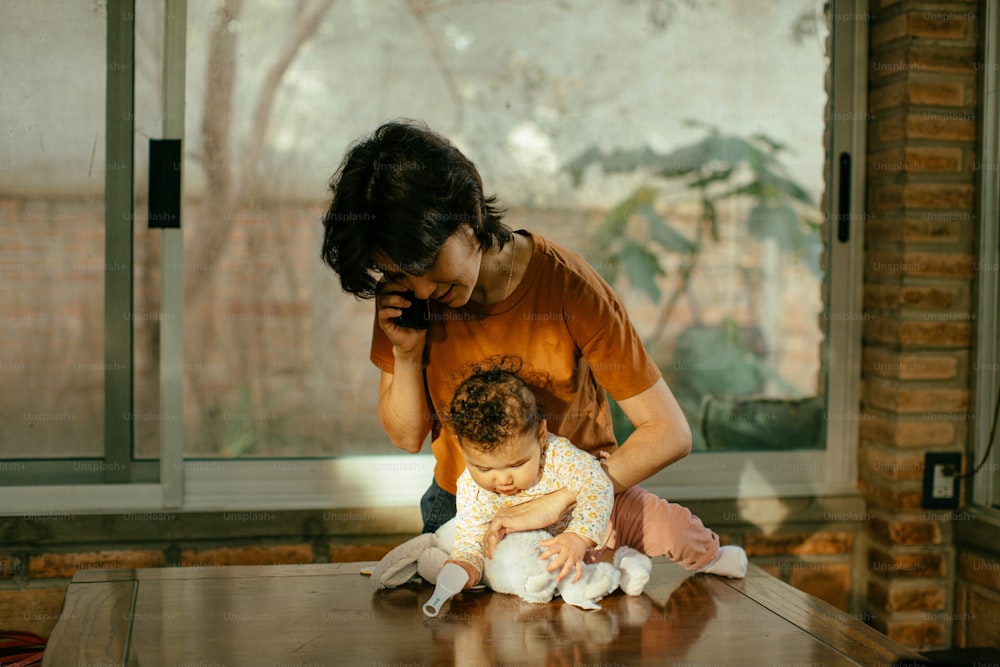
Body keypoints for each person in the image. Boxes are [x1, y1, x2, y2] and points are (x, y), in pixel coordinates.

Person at [320, 119, 736, 573]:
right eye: (398, 271)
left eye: (425, 262)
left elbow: (670, 433)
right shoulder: (407, 306)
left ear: (469, 215)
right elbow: (405, 436)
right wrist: (406, 353)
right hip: (462, 508)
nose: (419, 287)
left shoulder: (569, 288)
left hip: (578, 511)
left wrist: (558, 500)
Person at [445, 359, 744, 591]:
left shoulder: (557, 454)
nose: (502, 480)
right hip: (569, 553)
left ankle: (709, 555)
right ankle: (623, 564)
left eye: (516, 464)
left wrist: (580, 535)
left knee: (669, 526)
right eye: (483, 468)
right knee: (570, 579)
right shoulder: (471, 489)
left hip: (612, 513)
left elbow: (597, 485)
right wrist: (466, 568)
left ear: (540, 436)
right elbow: (470, 539)